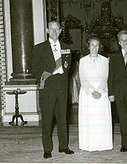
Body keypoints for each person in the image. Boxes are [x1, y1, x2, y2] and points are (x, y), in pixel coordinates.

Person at [32, 21, 74, 159]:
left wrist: (60, 69)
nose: (55, 32)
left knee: (62, 117)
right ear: (47, 30)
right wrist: (49, 72)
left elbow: (68, 68)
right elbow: (36, 69)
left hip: (62, 86)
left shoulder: (67, 47)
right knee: (47, 119)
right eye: (52, 29)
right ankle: (47, 148)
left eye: (57, 29)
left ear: (61, 31)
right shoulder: (39, 48)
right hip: (48, 87)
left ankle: (64, 146)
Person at [78, 36, 113, 151]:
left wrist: (99, 91)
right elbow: (83, 78)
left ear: (100, 47)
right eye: (92, 45)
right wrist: (92, 91)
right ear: (88, 46)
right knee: (90, 119)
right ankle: (89, 144)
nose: (94, 47)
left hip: (101, 92)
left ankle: (103, 144)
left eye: (96, 45)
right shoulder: (83, 60)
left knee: (100, 119)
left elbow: (105, 77)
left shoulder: (104, 60)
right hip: (87, 93)